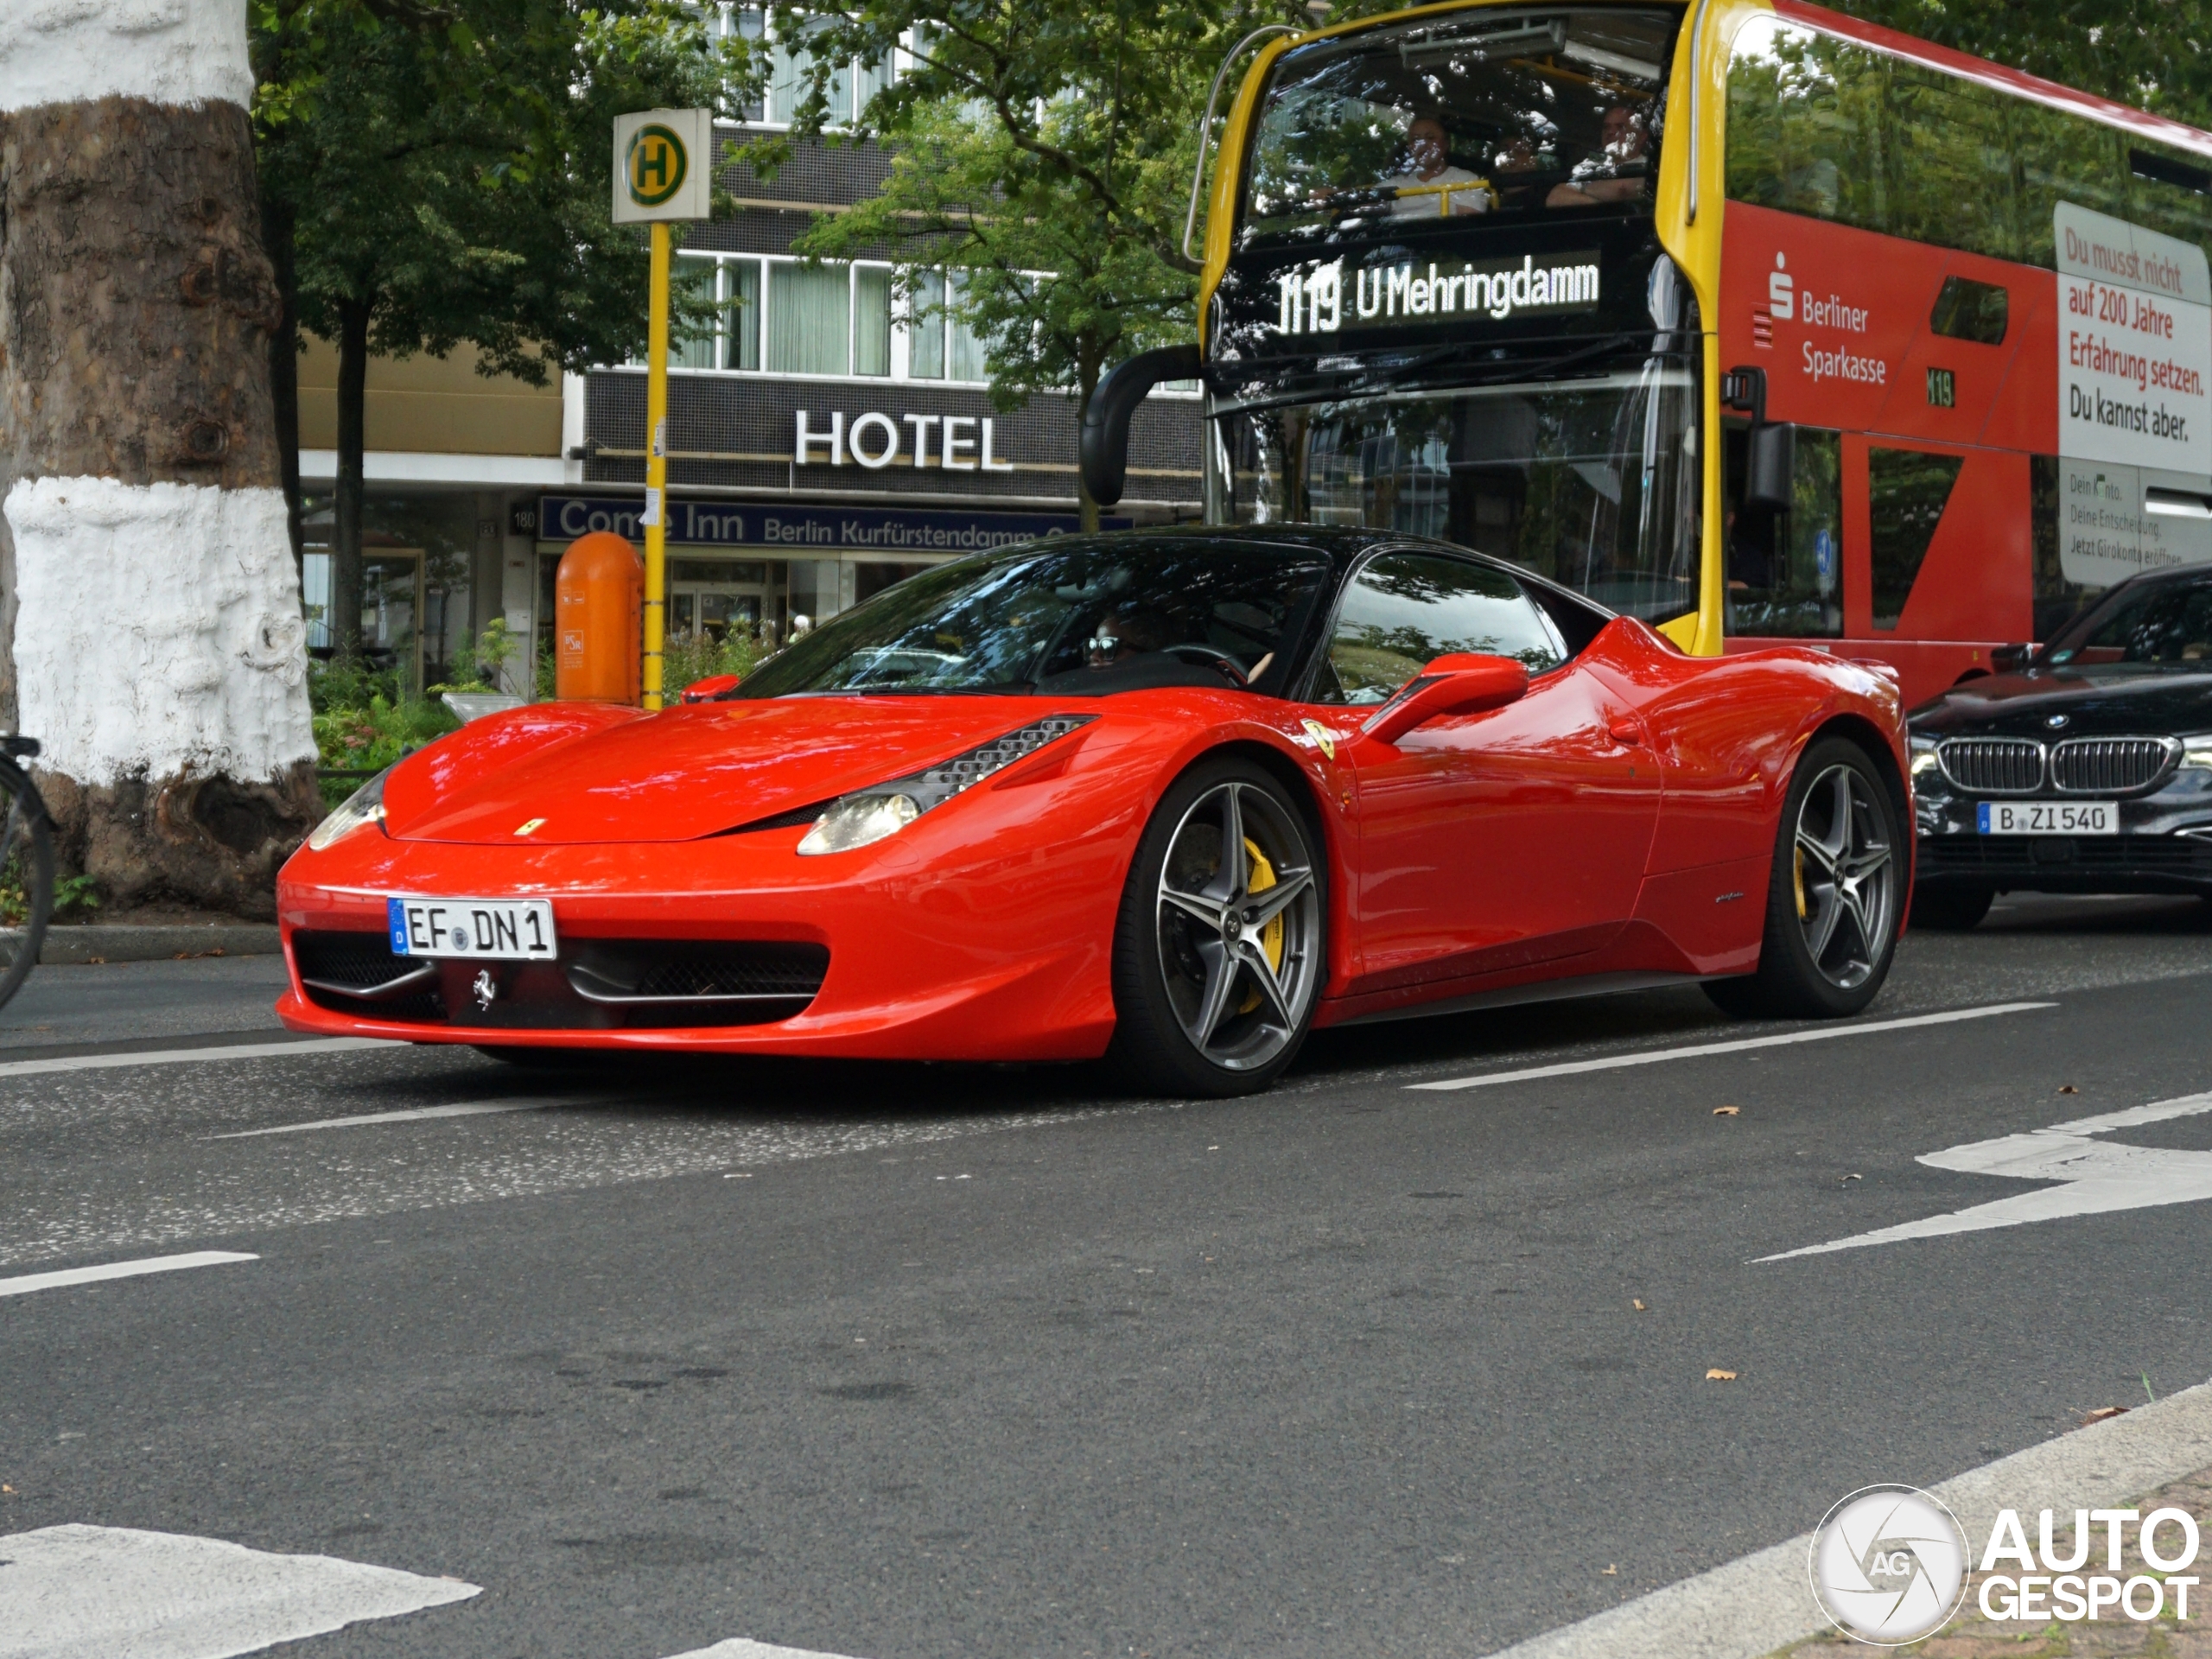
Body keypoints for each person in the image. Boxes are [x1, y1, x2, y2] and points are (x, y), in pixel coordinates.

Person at [1376, 117, 1490, 218]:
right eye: (1415, 140)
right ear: (1410, 147)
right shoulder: (1397, 184)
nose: (1422, 144)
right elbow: (1366, 204)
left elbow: (1466, 228)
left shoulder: (1466, 180)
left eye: (1430, 138)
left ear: (1446, 144)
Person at [1547, 103, 1650, 208]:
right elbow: (1555, 198)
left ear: (1642, 136)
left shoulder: (1650, 166)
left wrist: (1585, 191)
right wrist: (1599, 207)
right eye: (1606, 127)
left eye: (1621, 127)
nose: (1610, 132)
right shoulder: (1592, 163)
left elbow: (1624, 189)